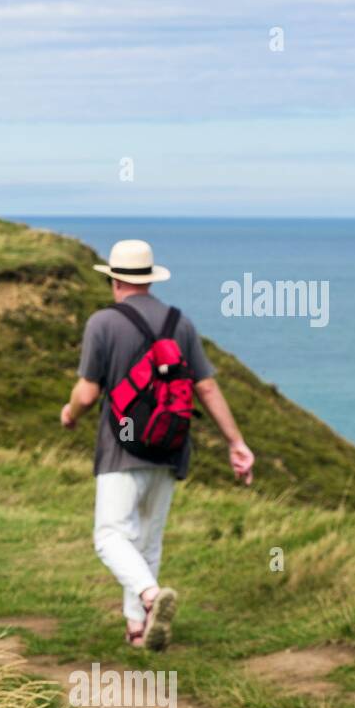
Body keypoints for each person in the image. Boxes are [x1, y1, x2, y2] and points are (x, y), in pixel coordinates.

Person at [61, 240, 254, 650]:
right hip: (169, 447)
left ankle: (150, 598)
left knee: (110, 536)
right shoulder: (178, 323)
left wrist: (70, 413)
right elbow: (206, 386)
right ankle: (139, 630)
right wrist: (235, 443)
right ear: (149, 279)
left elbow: (88, 392)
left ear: (114, 279)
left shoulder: (103, 323)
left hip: (122, 445)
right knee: (148, 541)